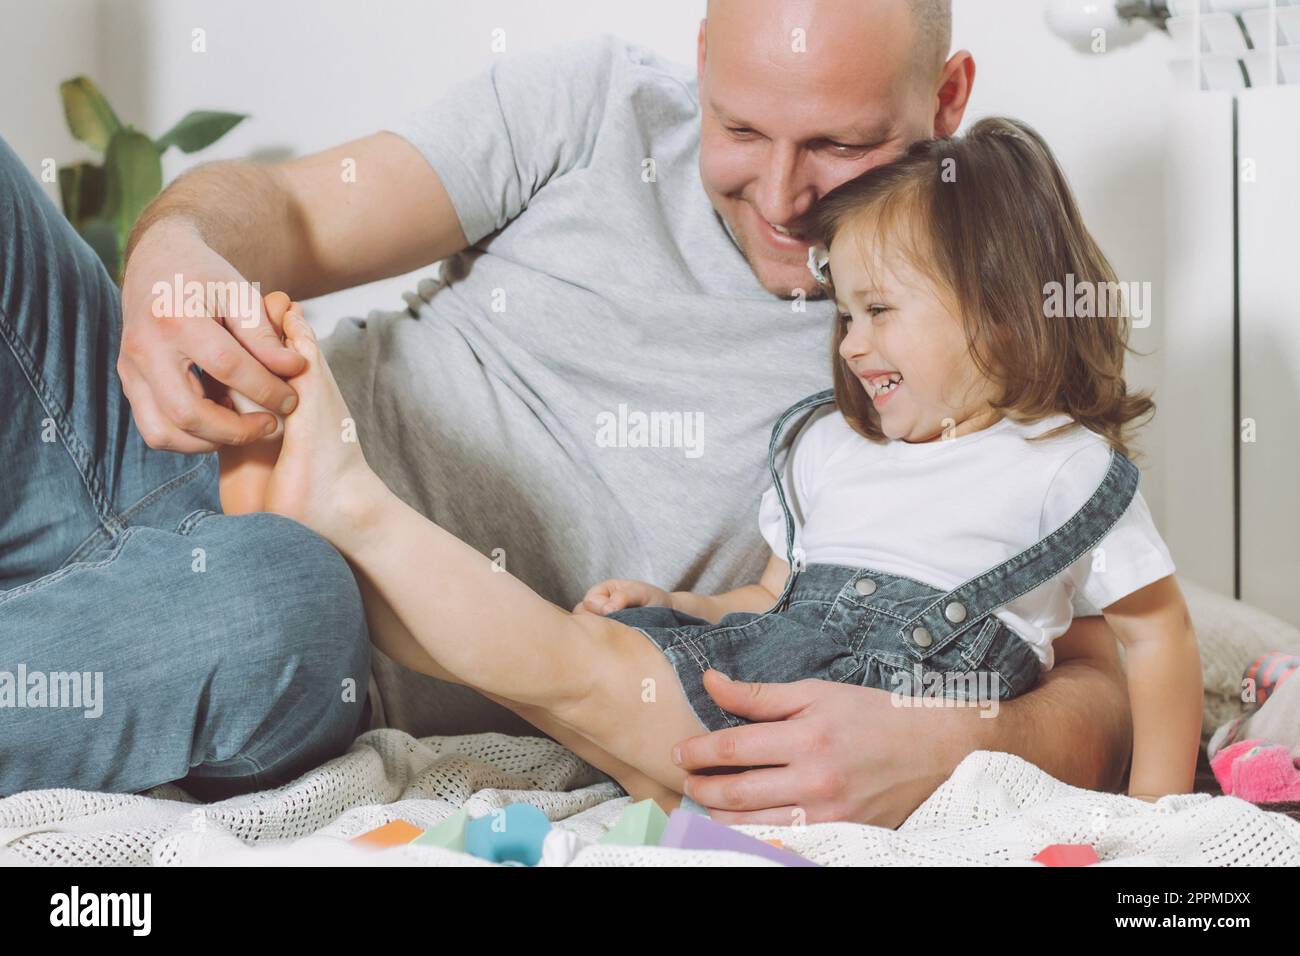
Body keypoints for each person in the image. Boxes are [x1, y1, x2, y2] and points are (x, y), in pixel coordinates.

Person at [1, 0, 1134, 824]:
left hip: (305, 626)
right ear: (699, 62)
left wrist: (951, 736)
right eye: (741, 130)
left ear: (944, 98)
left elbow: (1098, 662)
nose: (786, 198)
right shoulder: (595, 105)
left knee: (279, 587)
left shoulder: (966, 337)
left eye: (841, 146)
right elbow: (285, 210)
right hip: (136, 440)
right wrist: (173, 257)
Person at [221, 115, 1198, 812]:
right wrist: (685, 609)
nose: (853, 344)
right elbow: (768, 604)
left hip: (877, 716)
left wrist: (1156, 818)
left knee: (575, 671)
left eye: (881, 311)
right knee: (562, 675)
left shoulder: (1065, 470)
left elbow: (1155, 643)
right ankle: (341, 524)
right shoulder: (832, 447)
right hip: (771, 669)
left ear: (993, 306)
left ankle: (350, 506)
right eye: (845, 315)